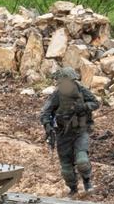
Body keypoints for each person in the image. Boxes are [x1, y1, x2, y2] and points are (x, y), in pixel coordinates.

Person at [41, 67, 101, 195]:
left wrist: (83, 107)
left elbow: (95, 103)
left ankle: (87, 183)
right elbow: (45, 112)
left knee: (82, 161)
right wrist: (47, 126)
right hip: (63, 133)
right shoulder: (57, 94)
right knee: (66, 169)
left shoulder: (81, 90)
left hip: (80, 131)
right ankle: (73, 189)